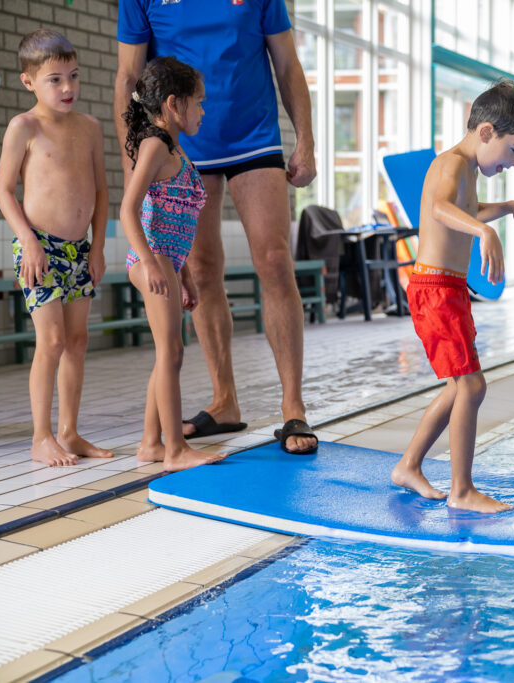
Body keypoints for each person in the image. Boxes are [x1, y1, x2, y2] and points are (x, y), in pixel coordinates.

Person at [115, 0, 319, 454]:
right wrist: (135, 156)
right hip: (183, 142)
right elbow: (128, 78)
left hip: (254, 134)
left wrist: (305, 139)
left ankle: (293, 406)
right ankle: (223, 400)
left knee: (274, 259)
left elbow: (287, 63)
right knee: (201, 268)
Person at [390, 80, 514, 513]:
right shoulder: (450, 163)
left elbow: (467, 209)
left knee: (461, 386)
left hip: (449, 290)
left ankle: (408, 466)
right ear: (487, 132)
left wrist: (509, 207)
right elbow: (440, 208)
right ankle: (461, 491)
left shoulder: (469, 170)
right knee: (471, 385)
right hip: (434, 289)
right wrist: (484, 231)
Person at [0, 30, 114, 467]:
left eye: (74, 77)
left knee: (78, 341)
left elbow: (102, 192)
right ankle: (41, 437)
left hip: (78, 249)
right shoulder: (23, 127)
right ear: (29, 82)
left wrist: (97, 247)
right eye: (55, 79)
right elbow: (4, 191)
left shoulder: (90, 128)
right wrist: (27, 239)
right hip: (38, 248)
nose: (68, 88)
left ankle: (70, 432)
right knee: (53, 340)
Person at [121, 57, 225, 472]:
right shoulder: (155, 145)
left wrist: (183, 274)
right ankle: (175, 449)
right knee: (171, 351)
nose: (203, 110)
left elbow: (173, 215)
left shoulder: (173, 146)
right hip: (154, 258)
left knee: (171, 353)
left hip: (168, 260)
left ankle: (151, 444)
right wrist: (149, 263)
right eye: (199, 102)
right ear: (173, 104)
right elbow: (129, 209)